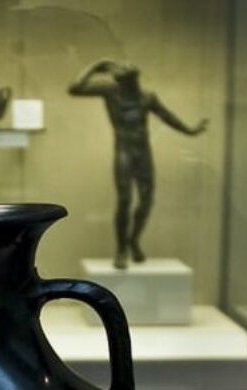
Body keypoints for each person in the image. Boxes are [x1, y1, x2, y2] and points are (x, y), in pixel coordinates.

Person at [69, 59, 208, 269]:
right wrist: (95, 66)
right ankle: (121, 249)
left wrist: (191, 131)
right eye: (121, 81)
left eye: (128, 81)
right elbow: (74, 88)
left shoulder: (147, 97)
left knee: (146, 200)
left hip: (143, 151)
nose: (124, 85)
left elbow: (168, 117)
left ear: (135, 80)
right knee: (125, 199)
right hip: (123, 151)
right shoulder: (111, 92)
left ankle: (134, 240)